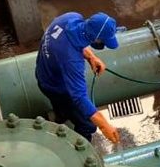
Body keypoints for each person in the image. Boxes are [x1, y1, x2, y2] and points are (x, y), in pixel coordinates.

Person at [35, 12, 121, 144]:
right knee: (87, 125)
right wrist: (104, 126)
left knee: (60, 106)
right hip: (57, 88)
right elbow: (79, 97)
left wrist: (91, 57)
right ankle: (77, 149)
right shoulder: (72, 60)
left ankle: (61, 116)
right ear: (96, 39)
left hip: (43, 73)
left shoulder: (70, 17)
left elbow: (71, 39)